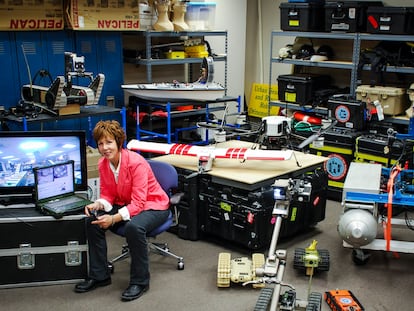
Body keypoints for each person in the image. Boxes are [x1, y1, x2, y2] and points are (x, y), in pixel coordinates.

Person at [74, 120, 170, 302]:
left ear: (119, 142)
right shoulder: (103, 164)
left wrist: (113, 219)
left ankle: (140, 282)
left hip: (154, 205)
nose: (104, 148)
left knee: (134, 227)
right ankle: (99, 275)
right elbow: (109, 194)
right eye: (100, 143)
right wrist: (99, 204)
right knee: (91, 221)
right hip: (127, 203)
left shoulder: (136, 163)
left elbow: (139, 203)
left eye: (109, 142)